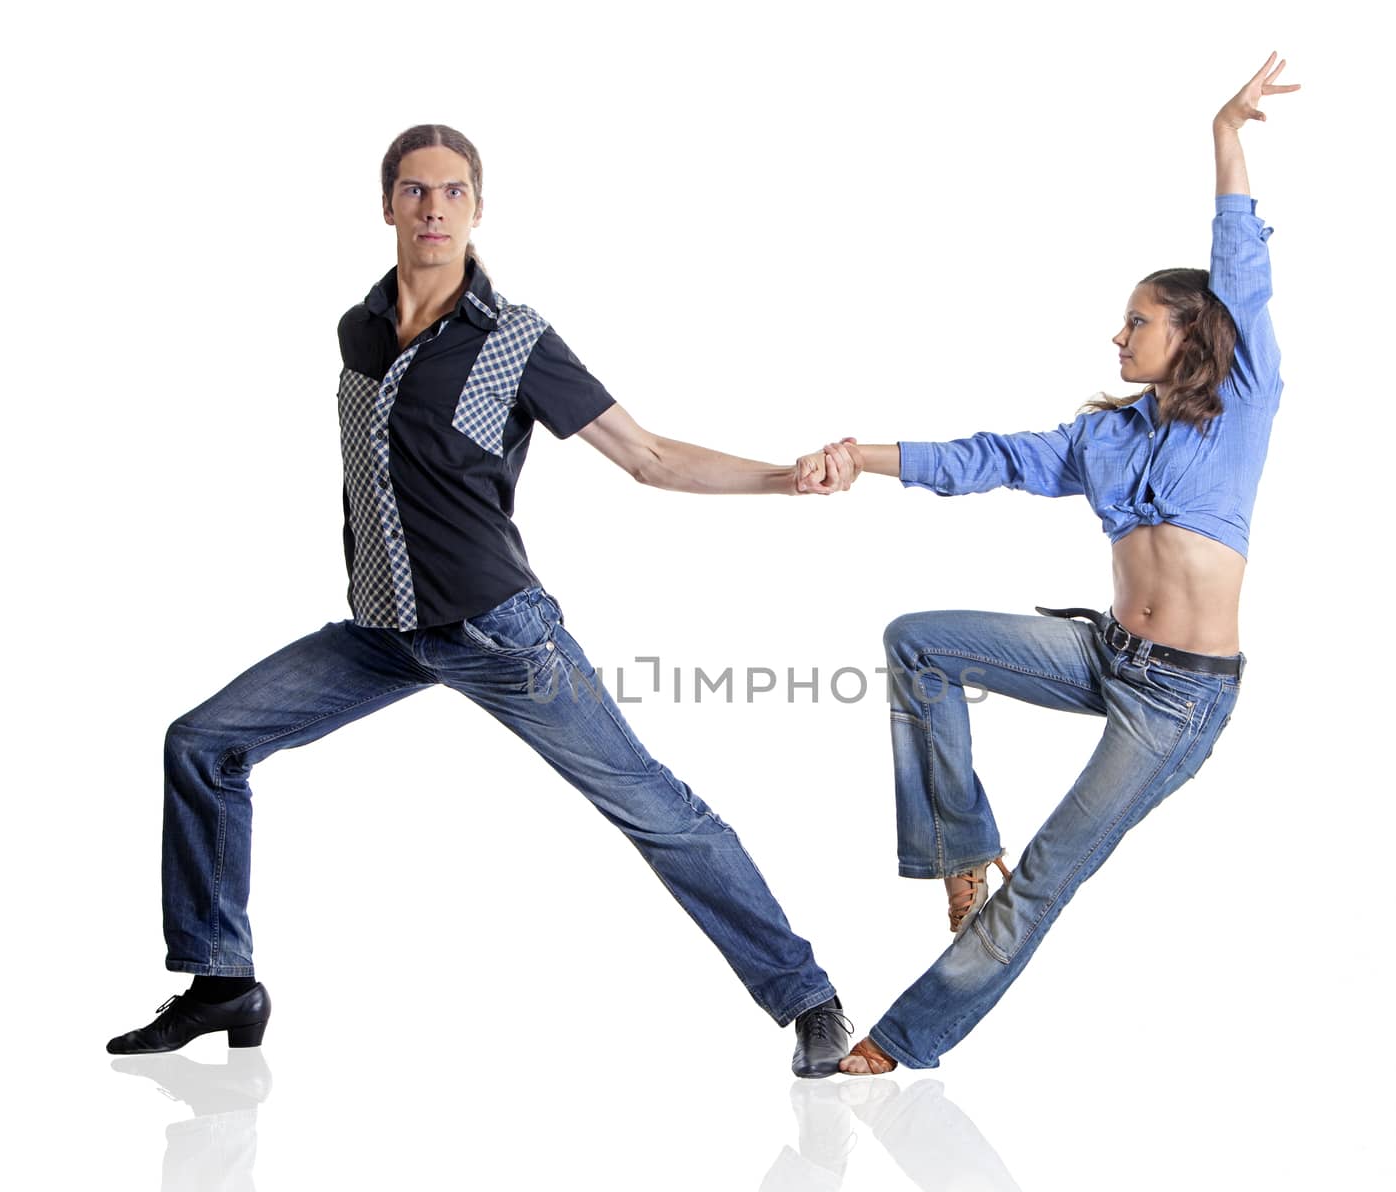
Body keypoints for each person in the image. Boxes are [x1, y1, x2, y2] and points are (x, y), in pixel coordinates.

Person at [106, 123, 857, 1077]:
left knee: (655, 807)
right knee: (203, 743)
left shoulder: (516, 340)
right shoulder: (359, 331)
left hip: (500, 634)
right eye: (416, 192)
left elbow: (650, 457)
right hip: (381, 632)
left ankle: (808, 998)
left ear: (476, 209)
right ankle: (222, 980)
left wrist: (783, 478)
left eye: (453, 192)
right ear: (387, 205)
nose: (433, 210)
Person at [822, 55, 1299, 1074]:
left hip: (1175, 704)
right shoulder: (1104, 440)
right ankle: (957, 849)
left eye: (1138, 319)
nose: (1118, 333)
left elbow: (1239, 266)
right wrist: (864, 458)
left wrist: (1226, 133)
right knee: (919, 643)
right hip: (1105, 653)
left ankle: (900, 1039)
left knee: (1043, 876)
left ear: (1192, 332)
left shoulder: (1242, 401)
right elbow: (985, 458)